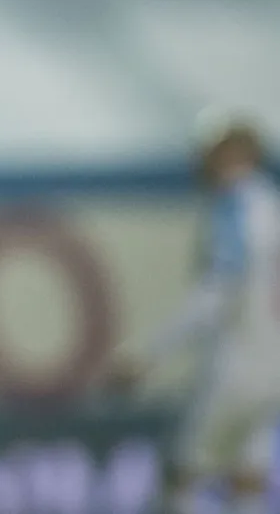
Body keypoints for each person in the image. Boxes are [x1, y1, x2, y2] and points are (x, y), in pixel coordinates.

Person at [107, 112, 280, 514]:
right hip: (273, 366)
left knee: (183, 473)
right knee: (247, 476)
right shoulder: (270, 204)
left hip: (236, 364)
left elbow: (217, 292)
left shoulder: (234, 207)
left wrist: (148, 352)